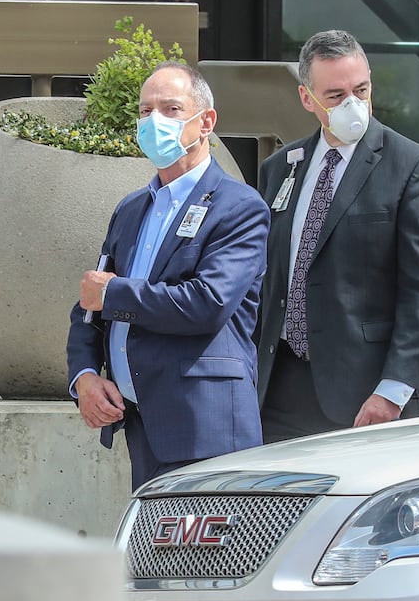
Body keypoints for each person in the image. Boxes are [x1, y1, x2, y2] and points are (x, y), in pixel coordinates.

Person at [66, 60, 269, 488]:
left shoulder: (239, 207)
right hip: (141, 425)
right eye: (145, 111)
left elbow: (206, 304)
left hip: (206, 426)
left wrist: (114, 295)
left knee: (211, 555)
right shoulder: (131, 208)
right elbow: (90, 303)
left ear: (205, 122)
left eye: (171, 109)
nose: (154, 121)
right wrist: (84, 376)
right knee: (152, 555)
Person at [254, 30, 419, 443]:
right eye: (335, 95)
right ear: (307, 99)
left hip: (371, 395)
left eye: (360, 90)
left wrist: (394, 388)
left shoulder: (414, 167)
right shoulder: (280, 169)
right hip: (281, 388)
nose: (352, 105)